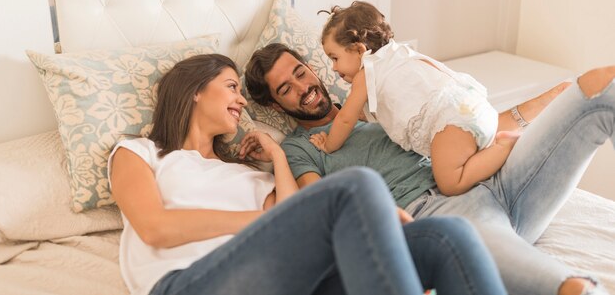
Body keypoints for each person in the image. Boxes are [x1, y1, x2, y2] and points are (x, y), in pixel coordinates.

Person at [108, 53, 508, 295]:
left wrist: (279, 157)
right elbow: (155, 227)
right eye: (231, 87)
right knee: (356, 186)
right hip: (187, 284)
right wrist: (265, 221)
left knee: (445, 237)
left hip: (277, 280)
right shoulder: (140, 152)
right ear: (195, 89)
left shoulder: (248, 173)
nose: (240, 101)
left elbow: (292, 222)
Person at [245, 43, 615, 295]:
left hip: (490, 175)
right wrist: (276, 155)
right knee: (570, 287)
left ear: (312, 68)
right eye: (286, 89)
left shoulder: (375, 95)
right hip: (440, 210)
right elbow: (321, 204)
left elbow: (468, 128)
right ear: (276, 107)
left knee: (598, 88)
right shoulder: (299, 148)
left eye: (300, 72)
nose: (303, 87)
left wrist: (549, 100)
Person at [308, 1, 520, 196]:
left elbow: (346, 118)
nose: (334, 68)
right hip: (470, 105)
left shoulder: (366, 73)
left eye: (335, 58)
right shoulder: (398, 54)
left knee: (450, 183)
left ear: (359, 50)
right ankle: (496, 145)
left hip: (449, 122)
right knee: (467, 160)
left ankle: (504, 146)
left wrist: (329, 145)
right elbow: (375, 111)